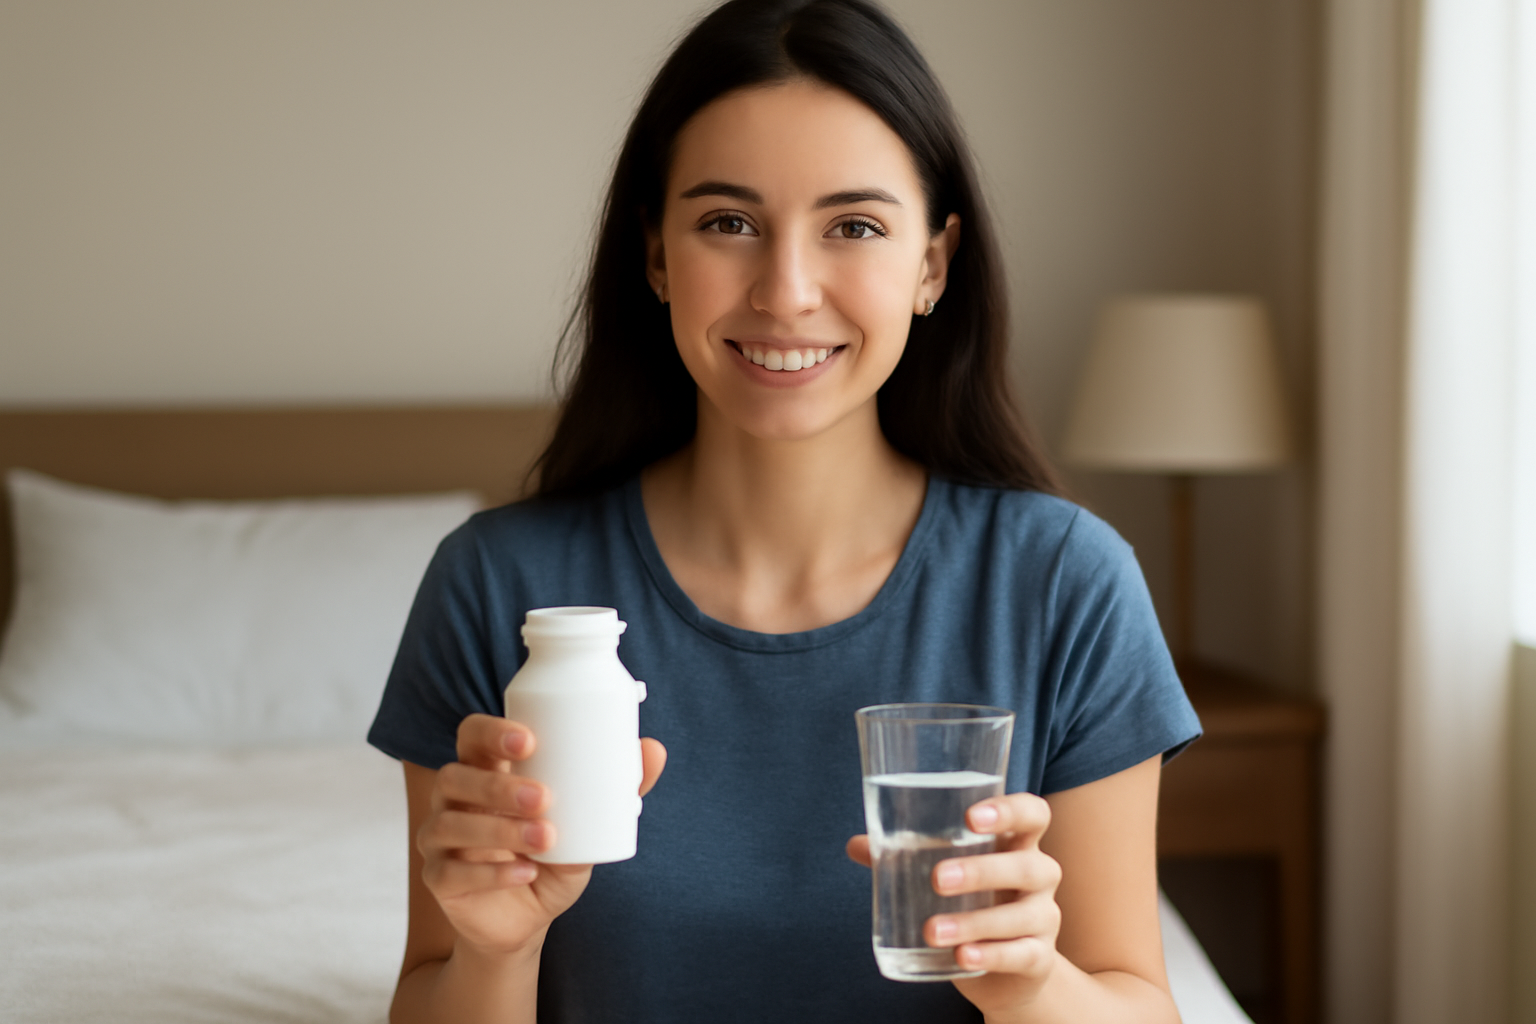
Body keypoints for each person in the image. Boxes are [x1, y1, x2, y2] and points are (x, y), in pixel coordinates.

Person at [368, 1, 1201, 1021]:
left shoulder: (1065, 582)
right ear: (657, 254)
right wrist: (498, 950)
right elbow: (435, 990)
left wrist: (1033, 983)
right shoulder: (498, 588)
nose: (788, 290)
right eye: (728, 223)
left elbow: (1137, 1000)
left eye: (853, 226)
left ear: (933, 263)